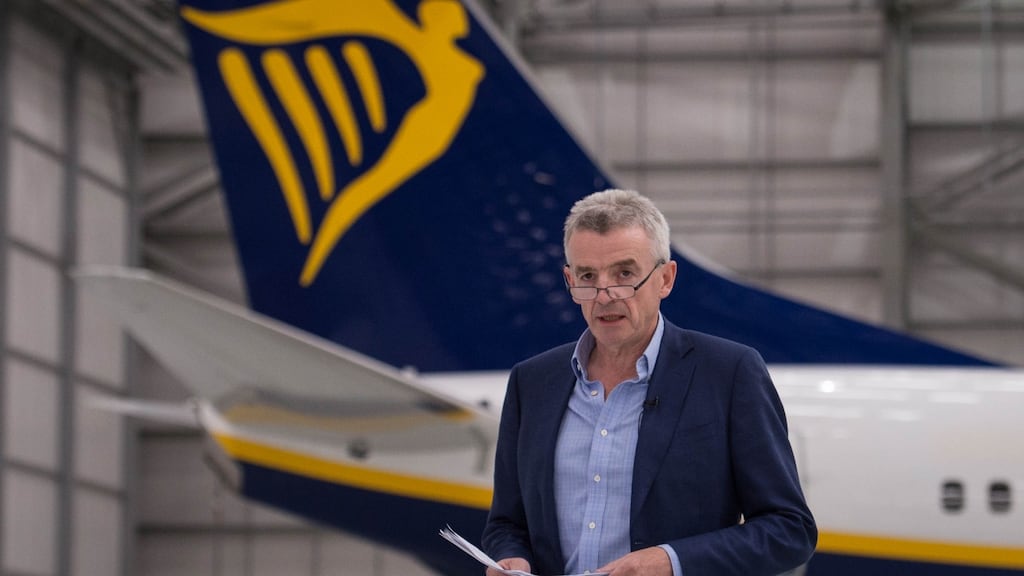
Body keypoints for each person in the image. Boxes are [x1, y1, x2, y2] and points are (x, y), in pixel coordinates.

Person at [481, 189, 816, 576]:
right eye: (588, 277)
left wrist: (671, 562)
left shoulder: (730, 372)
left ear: (665, 279)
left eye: (624, 274)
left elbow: (790, 530)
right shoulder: (532, 382)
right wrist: (513, 558)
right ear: (569, 280)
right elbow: (506, 523)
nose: (605, 295)